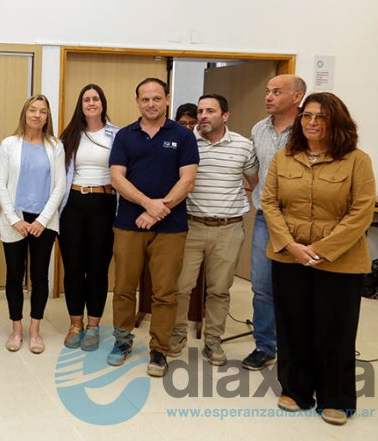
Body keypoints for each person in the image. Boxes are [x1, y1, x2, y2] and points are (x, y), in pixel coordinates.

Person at [261, 92, 374, 426]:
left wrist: (323, 248)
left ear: (335, 121)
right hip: (289, 256)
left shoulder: (357, 160)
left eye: (320, 117)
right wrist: (291, 245)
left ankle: (336, 397)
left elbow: (362, 210)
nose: (311, 123)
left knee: (334, 328)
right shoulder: (284, 158)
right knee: (293, 324)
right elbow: (270, 203)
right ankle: (295, 389)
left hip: (340, 260)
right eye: (306, 116)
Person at [107, 78, 198, 377]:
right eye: (145, 99)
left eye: (156, 98)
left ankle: (159, 350)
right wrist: (148, 204)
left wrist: (159, 210)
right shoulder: (124, 136)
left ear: (167, 99)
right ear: (137, 102)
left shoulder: (183, 136)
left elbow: (187, 180)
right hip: (129, 225)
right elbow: (117, 178)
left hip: (170, 227)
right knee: (123, 289)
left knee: (165, 292)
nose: (151, 104)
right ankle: (122, 342)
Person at [169, 94, 258, 365]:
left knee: (219, 289)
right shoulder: (185, 142)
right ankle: (177, 334)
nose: (204, 116)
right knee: (181, 286)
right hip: (191, 224)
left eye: (210, 111)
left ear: (225, 115)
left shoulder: (243, 146)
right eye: (200, 111)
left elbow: (254, 181)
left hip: (228, 228)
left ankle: (213, 341)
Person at [0, 94, 65, 354]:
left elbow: (59, 186)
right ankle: (16, 329)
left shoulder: (55, 145)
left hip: (44, 222)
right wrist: (14, 219)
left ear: (48, 117)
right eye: (32, 110)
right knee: (14, 276)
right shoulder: (9, 144)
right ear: (25, 114)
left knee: (39, 276)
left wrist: (43, 220)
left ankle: (35, 331)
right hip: (15, 219)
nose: (37, 115)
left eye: (43, 111)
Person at [244, 74, 306, 371]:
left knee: (299, 286)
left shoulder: (310, 129)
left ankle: (298, 345)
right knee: (262, 285)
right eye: (267, 91)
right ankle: (265, 346)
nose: (268, 96)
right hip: (265, 219)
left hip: (302, 221)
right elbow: (254, 172)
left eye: (276, 92)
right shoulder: (258, 129)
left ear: (296, 97)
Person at [57, 84, 119, 351]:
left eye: (95, 99)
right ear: (80, 105)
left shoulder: (118, 135)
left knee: (97, 267)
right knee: (73, 267)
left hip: (104, 204)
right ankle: (76, 324)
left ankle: (94, 326)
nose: (91, 103)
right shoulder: (69, 135)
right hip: (73, 203)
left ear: (102, 103)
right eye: (86, 99)